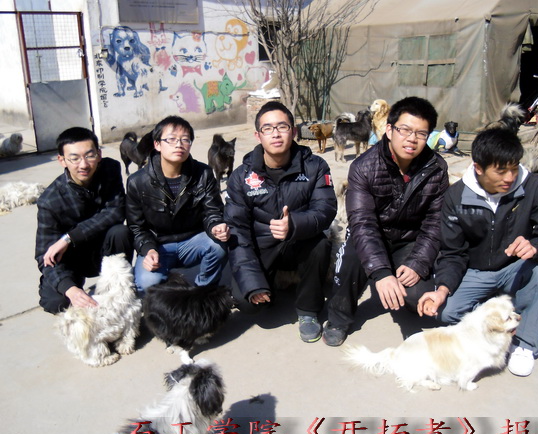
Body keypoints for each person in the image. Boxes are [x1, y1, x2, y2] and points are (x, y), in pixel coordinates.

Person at [417, 128, 538, 377]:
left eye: (514, 168)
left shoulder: (536, 188)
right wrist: (442, 289)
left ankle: (525, 344)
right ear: (478, 168)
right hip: (475, 270)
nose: (509, 177)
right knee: (446, 311)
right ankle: (500, 311)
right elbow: (453, 252)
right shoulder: (456, 196)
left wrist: (535, 247)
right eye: (500, 171)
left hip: (516, 267)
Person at [323, 97, 449, 346]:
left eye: (421, 133)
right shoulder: (363, 167)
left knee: (418, 297)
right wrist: (381, 272)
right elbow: (362, 223)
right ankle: (338, 318)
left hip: (409, 240)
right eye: (405, 130)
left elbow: (435, 223)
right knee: (349, 265)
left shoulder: (437, 168)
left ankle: (400, 287)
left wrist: (418, 263)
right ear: (389, 130)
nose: (412, 139)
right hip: (371, 235)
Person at [225, 101, 337, 343]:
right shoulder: (241, 176)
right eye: (267, 128)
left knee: (320, 244)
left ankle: (308, 310)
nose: (275, 134)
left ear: (293, 131)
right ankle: (267, 288)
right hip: (262, 246)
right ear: (258, 135)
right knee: (248, 303)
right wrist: (253, 285)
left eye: (282, 126)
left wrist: (294, 224)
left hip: (300, 241)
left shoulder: (315, 166)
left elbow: (325, 209)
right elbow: (237, 230)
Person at [126, 115, 229, 295]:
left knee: (218, 246)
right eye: (171, 139)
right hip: (158, 244)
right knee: (147, 285)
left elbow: (212, 210)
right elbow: (136, 227)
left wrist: (215, 225)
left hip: (193, 240)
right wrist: (148, 249)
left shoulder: (203, 173)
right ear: (157, 144)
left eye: (185, 140)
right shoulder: (137, 181)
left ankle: (202, 293)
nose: (179, 145)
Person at [35, 127, 133, 314]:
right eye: (74, 158)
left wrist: (69, 237)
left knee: (121, 232)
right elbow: (44, 255)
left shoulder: (110, 170)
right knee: (56, 303)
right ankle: (75, 284)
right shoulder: (50, 201)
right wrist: (70, 289)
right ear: (62, 160)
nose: (84, 165)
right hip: (72, 260)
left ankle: (119, 287)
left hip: (102, 250)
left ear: (99, 154)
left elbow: (117, 210)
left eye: (89, 155)